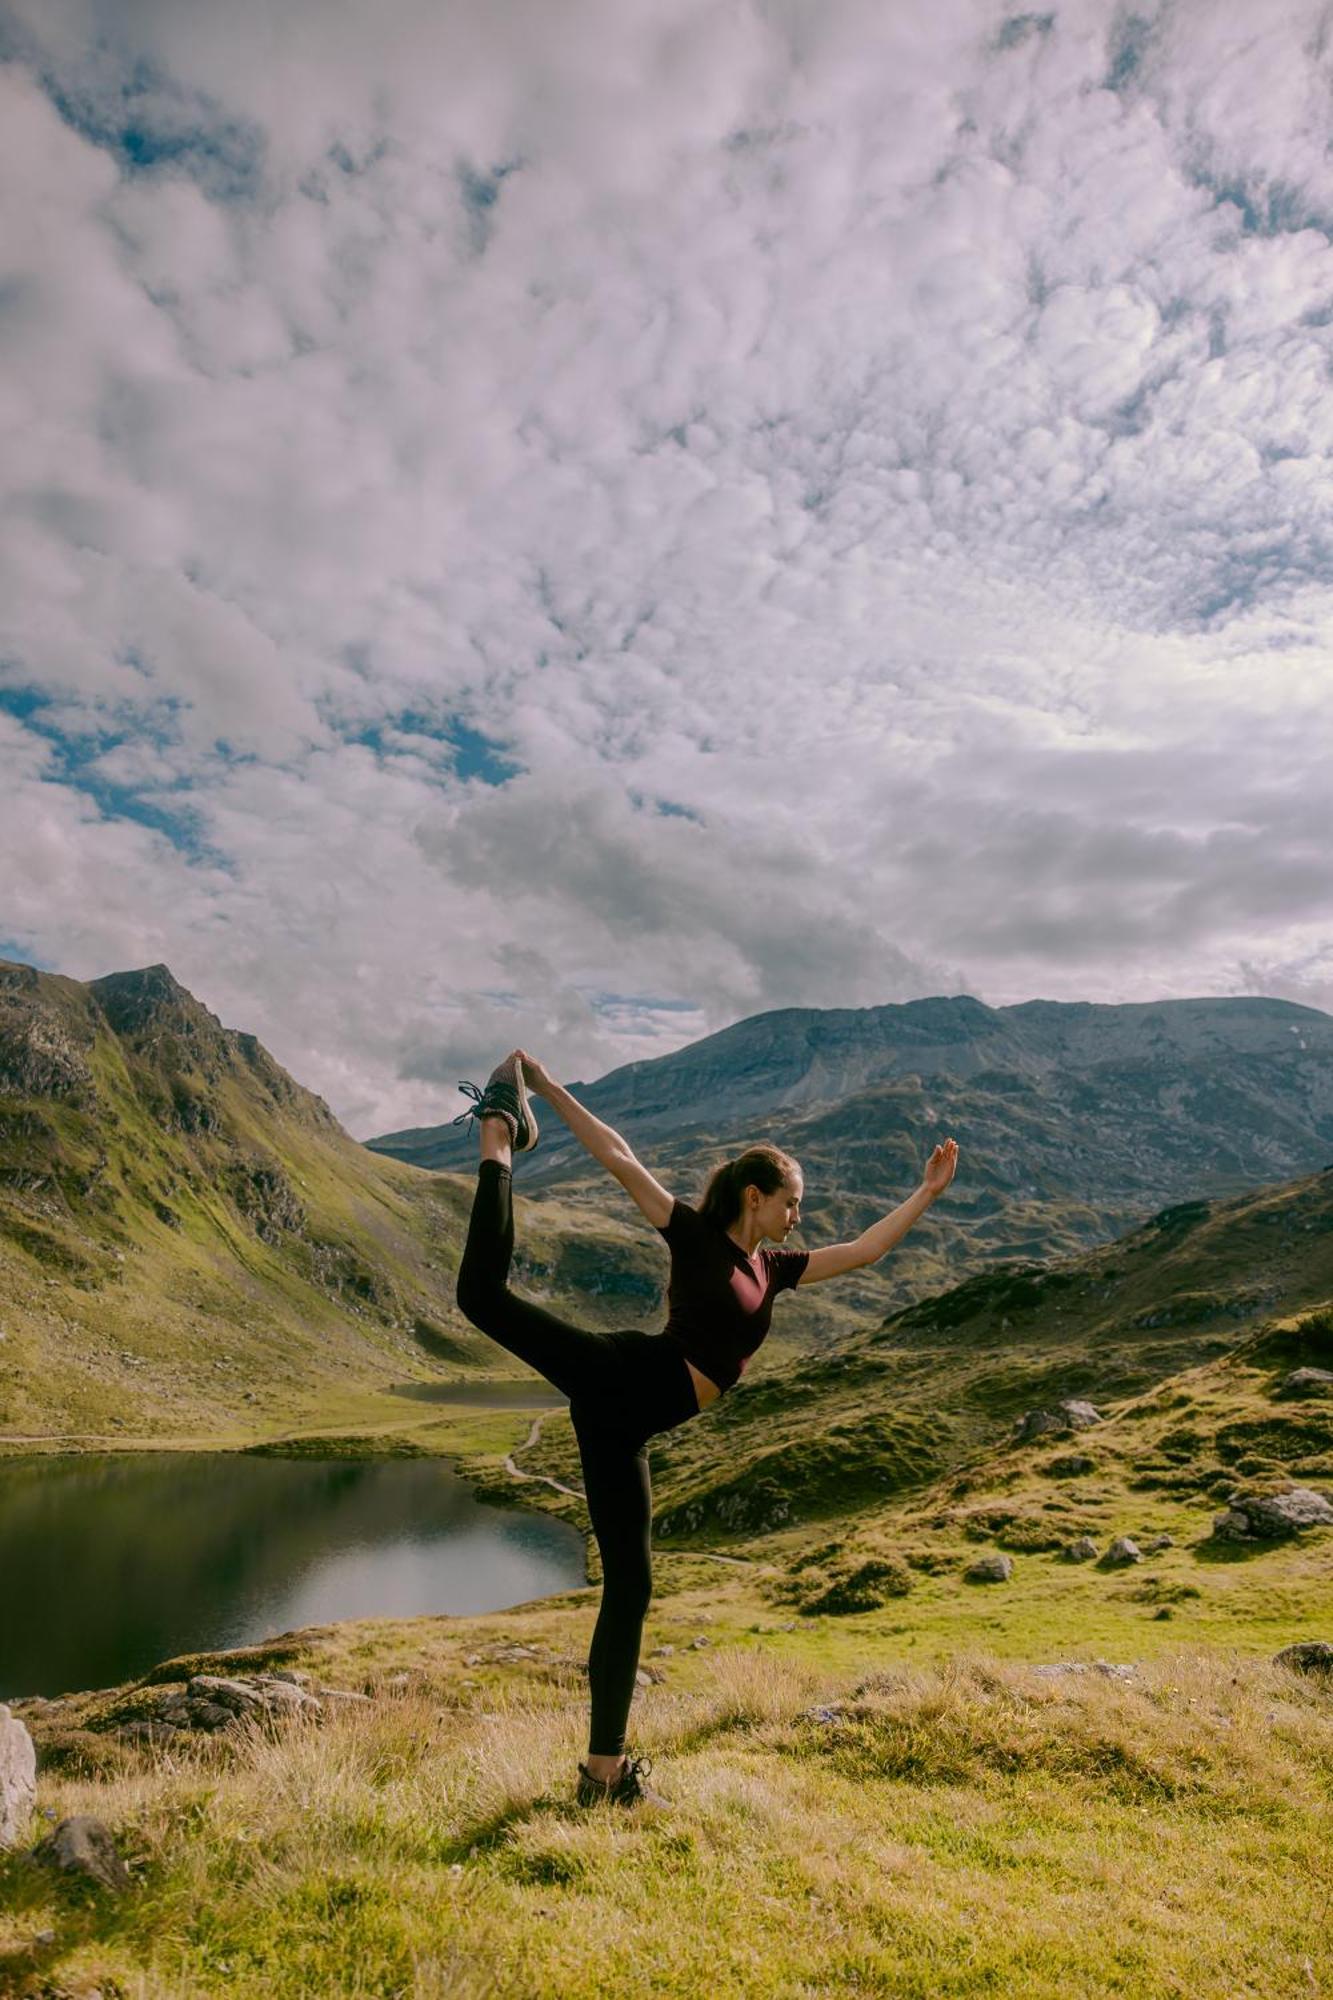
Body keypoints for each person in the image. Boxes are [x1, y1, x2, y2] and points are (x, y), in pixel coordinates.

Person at [452, 1048, 959, 1809]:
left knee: (630, 1588)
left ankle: (603, 1777)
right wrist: (548, 1089)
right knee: (481, 1296)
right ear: (753, 1198)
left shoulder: (775, 1268)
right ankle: (498, 1131)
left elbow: (866, 1250)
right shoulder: (695, 1238)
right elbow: (620, 1159)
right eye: (791, 1203)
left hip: (624, 1427)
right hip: (619, 1377)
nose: (799, 1217)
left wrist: (924, 1193)